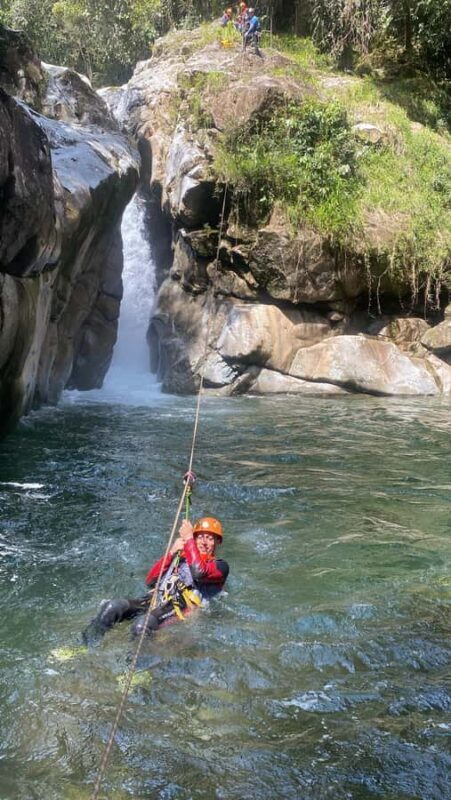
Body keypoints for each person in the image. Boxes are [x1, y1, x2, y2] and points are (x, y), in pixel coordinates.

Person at [82, 517, 229, 645]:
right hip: (156, 600)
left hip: (180, 608)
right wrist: (171, 553)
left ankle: (139, 669)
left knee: (142, 626)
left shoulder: (220, 566)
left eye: (210, 538)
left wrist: (189, 538)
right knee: (113, 606)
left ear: (217, 543)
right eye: (200, 537)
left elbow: (199, 572)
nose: (204, 542)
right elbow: (151, 581)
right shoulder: (181, 557)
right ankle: (85, 645)